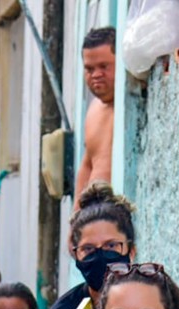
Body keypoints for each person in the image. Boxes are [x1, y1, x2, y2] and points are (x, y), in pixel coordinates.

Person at [76, 27, 116, 197]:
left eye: (104, 66)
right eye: (89, 69)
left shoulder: (133, 103)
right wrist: (76, 217)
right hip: (93, 217)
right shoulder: (93, 110)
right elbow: (87, 165)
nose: (96, 75)